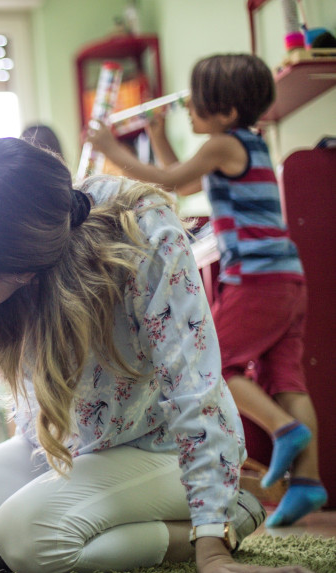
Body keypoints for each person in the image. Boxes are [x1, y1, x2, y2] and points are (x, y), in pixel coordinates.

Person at [0, 137, 323, 573]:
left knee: (28, 538)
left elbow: (194, 389)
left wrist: (211, 549)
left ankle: (226, 514)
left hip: (162, 447)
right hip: (69, 444)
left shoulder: (143, 232)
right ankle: (108, 518)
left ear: (19, 271)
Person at [88, 53, 328, 527]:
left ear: (224, 112)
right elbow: (187, 179)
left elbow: (167, 182)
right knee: (286, 379)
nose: (189, 110)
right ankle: (308, 481)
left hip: (257, 281)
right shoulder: (246, 143)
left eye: (196, 103)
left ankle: (285, 430)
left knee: (217, 366)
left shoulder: (222, 144)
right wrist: (156, 136)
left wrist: (111, 148)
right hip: (287, 280)